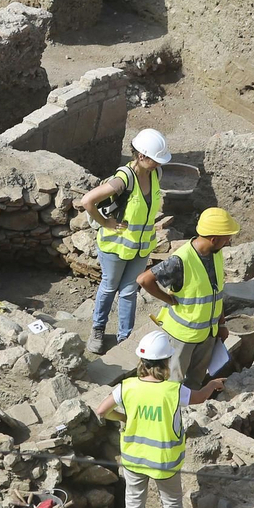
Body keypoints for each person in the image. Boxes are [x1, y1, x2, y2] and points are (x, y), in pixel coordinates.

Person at [94, 330, 225, 508]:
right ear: (166, 362)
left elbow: (101, 411)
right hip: (165, 461)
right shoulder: (173, 390)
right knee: (172, 507)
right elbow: (199, 398)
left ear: (141, 361)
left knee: (134, 505)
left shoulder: (127, 387)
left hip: (133, 458)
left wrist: (123, 417)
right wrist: (212, 385)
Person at [77, 128, 171, 355]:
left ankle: (125, 338)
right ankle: (98, 330)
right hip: (115, 247)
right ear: (142, 156)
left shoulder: (155, 174)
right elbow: (87, 201)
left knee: (129, 291)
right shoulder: (123, 180)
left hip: (141, 247)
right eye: (155, 159)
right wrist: (105, 223)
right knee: (109, 287)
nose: (159, 164)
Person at [138, 207, 240, 388]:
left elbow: (215, 294)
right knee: (173, 382)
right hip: (182, 336)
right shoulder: (181, 260)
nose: (228, 241)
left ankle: (193, 404)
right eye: (226, 238)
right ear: (214, 239)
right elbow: (144, 280)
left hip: (207, 334)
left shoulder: (216, 254)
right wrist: (169, 299)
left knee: (195, 380)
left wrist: (221, 324)